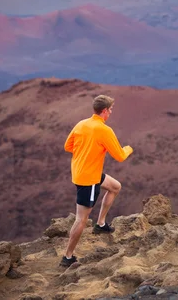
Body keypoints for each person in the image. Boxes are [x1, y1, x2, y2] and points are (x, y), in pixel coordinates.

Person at [59, 95, 133, 267]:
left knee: (115, 187)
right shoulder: (104, 130)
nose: (111, 112)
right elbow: (120, 156)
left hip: (82, 172)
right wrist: (129, 148)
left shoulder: (81, 124)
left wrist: (87, 151)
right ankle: (68, 257)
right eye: (111, 109)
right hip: (89, 180)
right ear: (105, 111)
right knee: (81, 219)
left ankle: (100, 224)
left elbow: (67, 146)